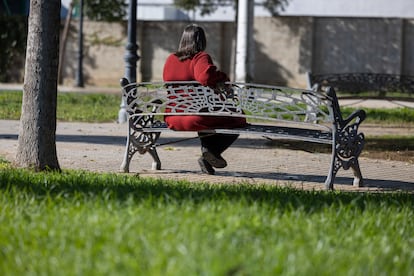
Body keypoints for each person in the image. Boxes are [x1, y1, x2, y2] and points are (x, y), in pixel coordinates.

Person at [163, 24, 247, 175]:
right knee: (239, 117)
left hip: (173, 117)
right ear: (202, 41)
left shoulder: (171, 59)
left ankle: (208, 156)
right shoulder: (200, 57)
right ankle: (210, 151)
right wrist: (222, 77)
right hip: (194, 117)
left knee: (208, 115)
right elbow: (205, 77)